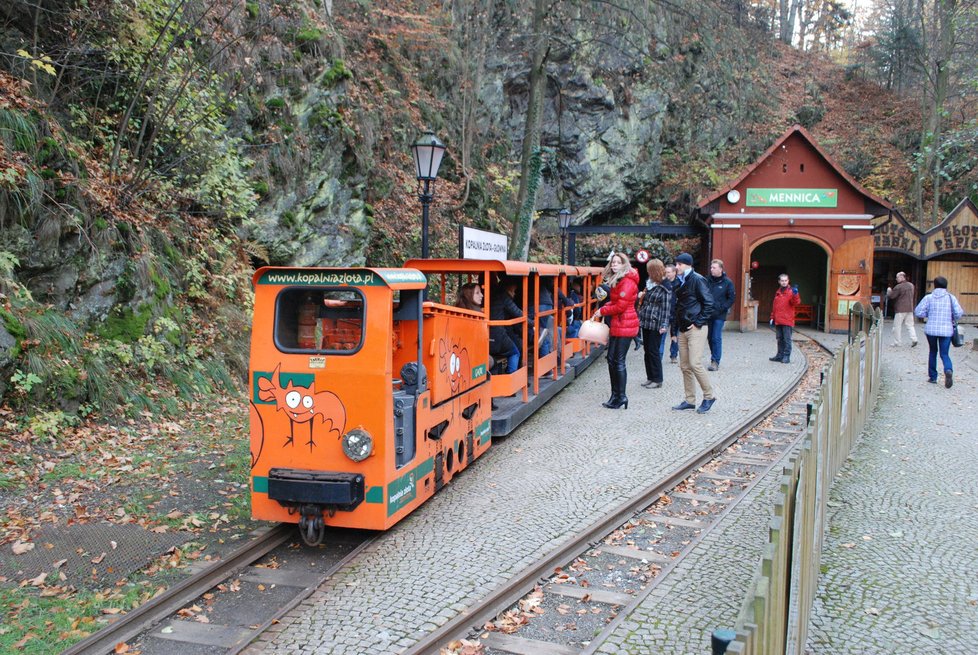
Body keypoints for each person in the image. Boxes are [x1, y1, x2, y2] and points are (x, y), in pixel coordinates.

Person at [591, 252, 639, 409]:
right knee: (612, 359)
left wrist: (603, 311)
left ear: (624, 264)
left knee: (617, 361)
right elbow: (616, 301)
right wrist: (605, 307)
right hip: (620, 323)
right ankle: (615, 395)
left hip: (625, 323)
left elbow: (621, 306)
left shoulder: (627, 282)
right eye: (613, 262)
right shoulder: (619, 280)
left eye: (617, 262)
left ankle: (621, 396)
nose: (614, 265)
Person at [670, 253, 716, 413]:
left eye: (679, 264)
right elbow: (677, 307)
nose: (677, 267)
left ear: (688, 265)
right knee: (684, 366)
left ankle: (709, 396)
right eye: (676, 264)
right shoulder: (679, 281)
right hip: (683, 328)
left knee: (695, 363)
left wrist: (698, 322)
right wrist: (674, 330)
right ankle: (690, 400)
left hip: (696, 327)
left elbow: (709, 302)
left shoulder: (697, 279)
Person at [914, 276, 964, 388]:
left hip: (931, 329)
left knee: (933, 352)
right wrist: (951, 317)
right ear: (946, 285)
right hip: (946, 330)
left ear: (934, 285)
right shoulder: (951, 298)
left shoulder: (929, 298)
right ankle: (948, 369)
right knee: (944, 354)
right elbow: (959, 313)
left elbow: (918, 312)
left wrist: (928, 315)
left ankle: (933, 377)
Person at [637, 258, 671, 389]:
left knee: (653, 351)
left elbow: (666, 308)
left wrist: (664, 324)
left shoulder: (665, 286)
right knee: (647, 350)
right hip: (646, 321)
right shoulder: (650, 284)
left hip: (656, 322)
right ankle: (650, 377)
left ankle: (657, 379)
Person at [706, 259, 735, 371]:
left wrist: (722, 307)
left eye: (714, 268)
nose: (711, 269)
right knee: (709, 337)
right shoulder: (707, 280)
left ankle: (715, 361)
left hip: (719, 314)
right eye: (711, 267)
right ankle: (714, 355)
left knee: (716, 337)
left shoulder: (727, 282)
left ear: (720, 269)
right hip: (708, 313)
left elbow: (731, 298)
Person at [489, 278, 522, 374]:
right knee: (515, 352)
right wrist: (533, 323)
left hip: (488, 334)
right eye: (513, 291)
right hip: (497, 334)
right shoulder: (502, 296)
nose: (515, 294)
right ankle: (512, 377)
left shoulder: (489, 293)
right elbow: (517, 312)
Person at [770, 273, 800, 364]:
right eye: (782, 281)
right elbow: (775, 307)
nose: (784, 282)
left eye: (785, 280)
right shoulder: (778, 292)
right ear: (779, 281)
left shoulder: (791, 292)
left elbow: (796, 303)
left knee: (787, 339)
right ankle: (779, 355)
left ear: (788, 281)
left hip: (787, 320)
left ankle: (786, 356)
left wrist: (796, 294)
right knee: (779, 338)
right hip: (778, 320)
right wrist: (772, 317)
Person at [886, 271, 918, 348]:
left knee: (897, 326)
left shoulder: (898, 287)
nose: (896, 279)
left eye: (897, 277)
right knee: (910, 325)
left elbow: (892, 296)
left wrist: (889, 291)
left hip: (900, 309)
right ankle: (914, 339)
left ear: (901, 277)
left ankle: (897, 342)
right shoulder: (911, 285)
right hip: (909, 308)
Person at [663, 263, 681, 364]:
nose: (667, 274)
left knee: (675, 335)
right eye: (665, 272)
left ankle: (674, 355)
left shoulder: (680, 284)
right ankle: (659, 355)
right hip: (665, 312)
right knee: (661, 335)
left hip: (675, 312)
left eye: (669, 272)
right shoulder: (662, 283)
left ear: (674, 272)